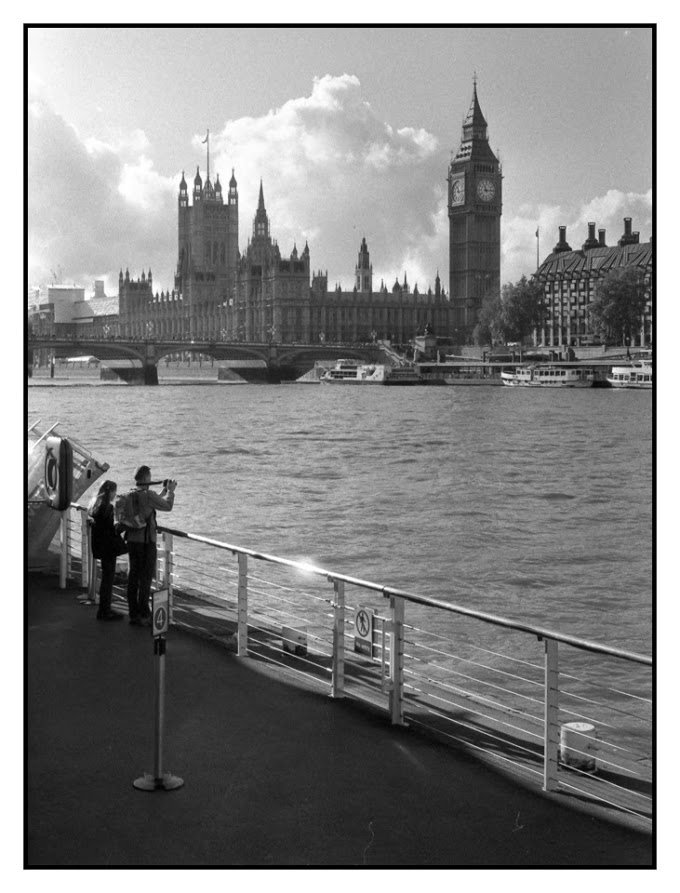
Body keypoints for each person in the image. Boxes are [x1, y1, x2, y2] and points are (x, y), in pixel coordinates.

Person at [125, 466, 176, 626]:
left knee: (133, 577)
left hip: (132, 541)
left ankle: (133, 613)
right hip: (146, 543)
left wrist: (163, 491)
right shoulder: (149, 495)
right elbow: (166, 506)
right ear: (147, 479)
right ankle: (144, 613)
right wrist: (171, 491)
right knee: (146, 578)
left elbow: (151, 504)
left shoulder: (131, 494)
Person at [88, 480, 126, 621]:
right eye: (114, 491)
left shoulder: (95, 505)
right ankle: (105, 610)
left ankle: (104, 609)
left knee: (106, 577)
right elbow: (111, 528)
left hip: (100, 545)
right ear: (110, 491)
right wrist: (123, 524)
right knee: (108, 579)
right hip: (108, 546)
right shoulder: (108, 508)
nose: (115, 494)